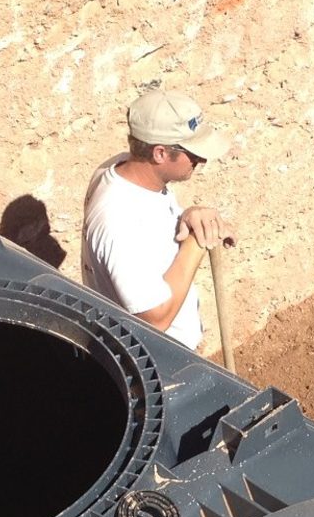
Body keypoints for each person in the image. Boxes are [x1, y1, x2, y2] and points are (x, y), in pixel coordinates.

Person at [81, 85, 234, 350]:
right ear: (160, 153)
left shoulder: (125, 170)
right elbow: (155, 318)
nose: (201, 160)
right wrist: (196, 244)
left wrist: (190, 215)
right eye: (194, 154)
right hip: (157, 362)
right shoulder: (118, 221)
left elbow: (152, 227)